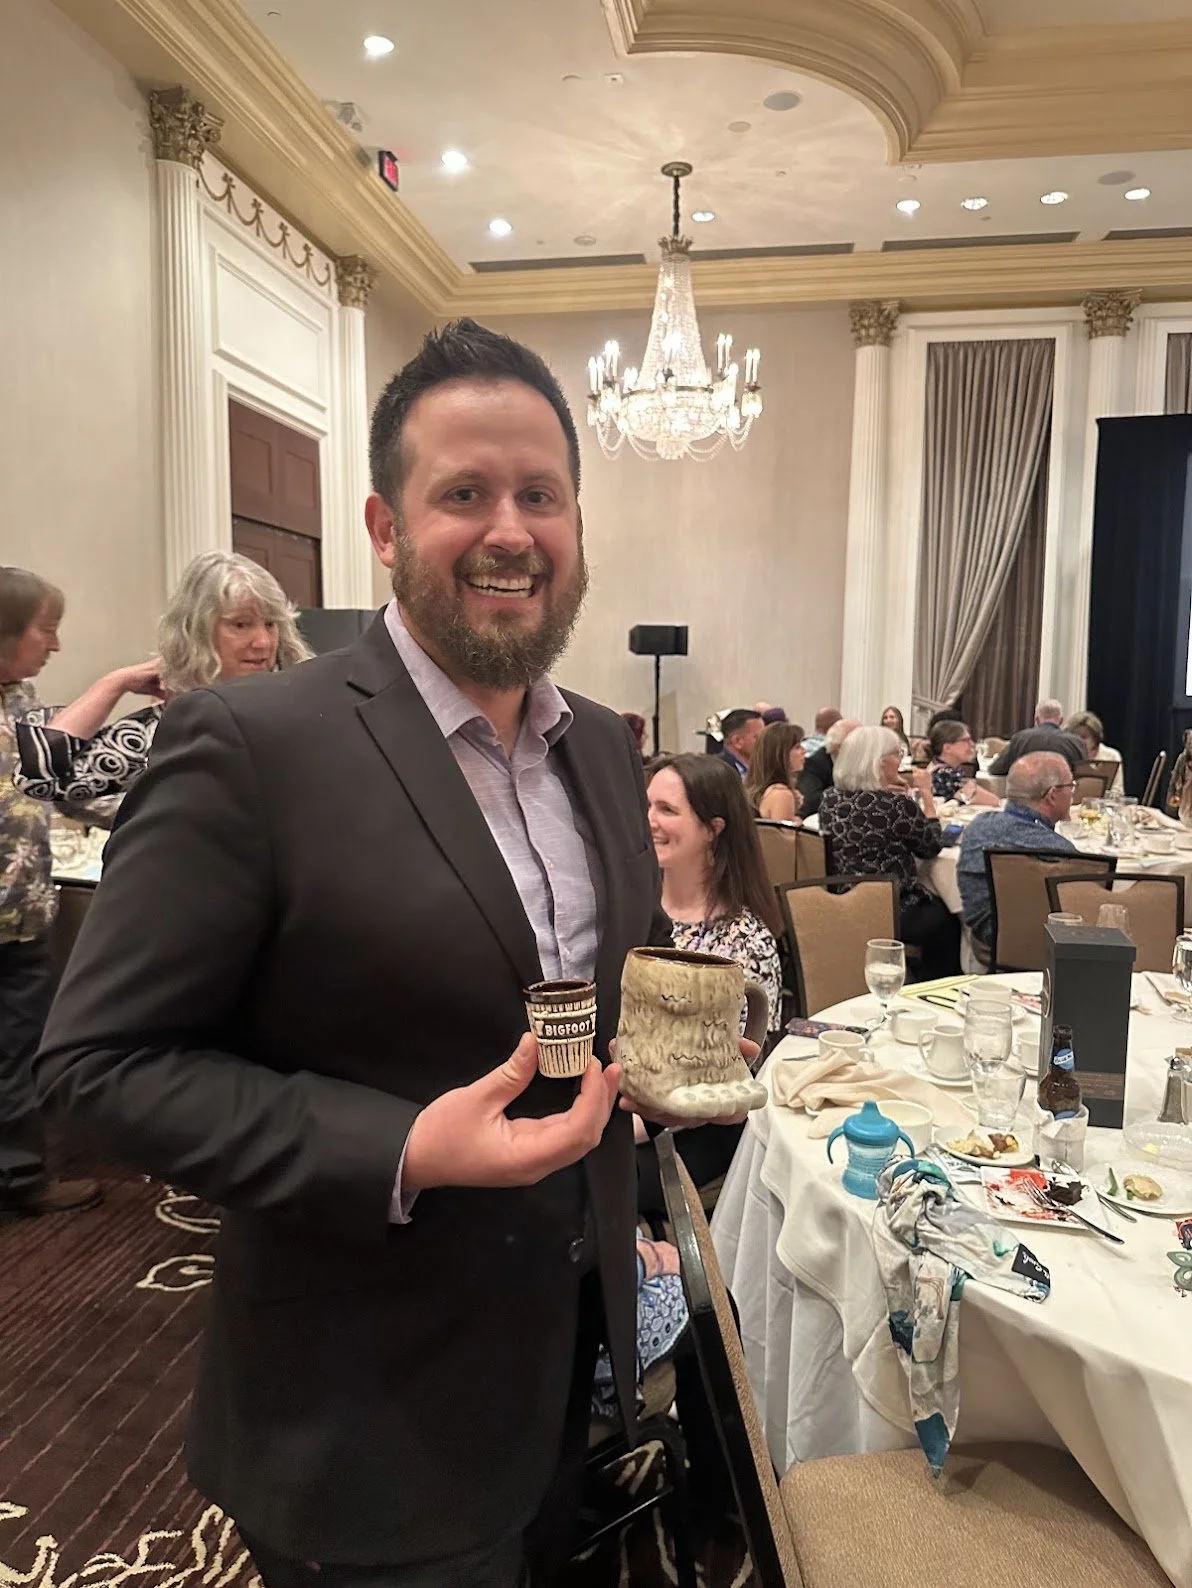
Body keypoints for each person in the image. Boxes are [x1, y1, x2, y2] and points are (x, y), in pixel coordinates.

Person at [34, 319, 752, 1588]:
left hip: (568, 1367)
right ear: (382, 527)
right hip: (362, 1415)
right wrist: (405, 1147)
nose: (510, 530)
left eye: (541, 495)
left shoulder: (601, 744)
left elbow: (591, 973)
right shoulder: (248, 744)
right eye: (463, 494)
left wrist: (654, 1055)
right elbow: (97, 1069)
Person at [15, 552, 311, 807]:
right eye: (241, 625)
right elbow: (39, 778)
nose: (263, 642)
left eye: (271, 624)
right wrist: (115, 683)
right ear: (197, 631)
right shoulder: (172, 729)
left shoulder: (306, 706)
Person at [635, 753, 782, 1218]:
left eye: (667, 810)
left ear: (713, 829)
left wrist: (629, 1124)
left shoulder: (744, 939)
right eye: (646, 805)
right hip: (624, 1097)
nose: (649, 820)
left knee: (587, 1185)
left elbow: (726, 1075)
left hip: (700, 1125)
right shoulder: (629, 909)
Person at [0, 568, 99, 1219]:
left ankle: (20, 1174)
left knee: (17, 1052)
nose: (55, 644)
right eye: (46, 629)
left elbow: (65, 783)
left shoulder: (22, 704)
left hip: (24, 920)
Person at [818, 725, 961, 979]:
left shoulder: (830, 799)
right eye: (897, 754)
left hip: (843, 901)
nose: (901, 761)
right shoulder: (896, 806)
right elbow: (930, 846)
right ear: (879, 763)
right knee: (948, 921)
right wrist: (926, 796)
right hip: (891, 907)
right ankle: (933, 984)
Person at [956, 752, 1078, 949]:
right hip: (1044, 947)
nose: (1073, 794)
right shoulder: (1061, 852)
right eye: (1070, 786)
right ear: (1052, 795)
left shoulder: (977, 827)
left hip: (984, 940)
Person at [988, 699, 1085, 777]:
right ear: (1061, 721)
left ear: (1037, 720)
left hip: (1027, 794)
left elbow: (996, 769)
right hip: (1062, 794)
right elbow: (1084, 776)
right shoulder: (1077, 743)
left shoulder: (1020, 739)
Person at [797, 716, 858, 819]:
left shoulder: (859, 764)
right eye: (859, 744)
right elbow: (811, 801)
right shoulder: (815, 764)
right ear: (839, 747)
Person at [744, 720, 805, 822]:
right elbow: (784, 832)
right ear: (780, 754)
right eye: (797, 747)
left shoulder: (761, 790)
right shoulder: (781, 794)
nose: (804, 751)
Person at [928, 721, 999, 807]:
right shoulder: (945, 774)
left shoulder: (938, 767)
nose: (972, 744)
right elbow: (994, 801)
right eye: (966, 740)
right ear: (947, 748)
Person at [1063, 709, 1124, 794]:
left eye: (1083, 737)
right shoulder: (1066, 755)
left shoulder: (1112, 755)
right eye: (1075, 737)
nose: (1079, 741)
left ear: (1095, 738)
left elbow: (1118, 790)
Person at [716, 707, 764, 776]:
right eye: (759, 737)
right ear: (737, 741)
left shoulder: (762, 767)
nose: (765, 741)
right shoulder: (717, 773)